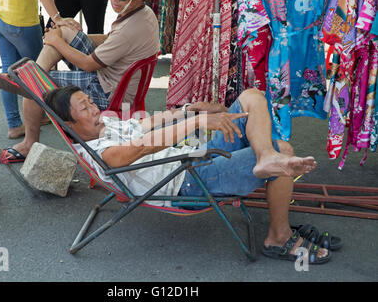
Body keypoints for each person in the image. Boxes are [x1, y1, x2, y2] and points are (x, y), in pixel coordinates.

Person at [44, 85, 334, 264]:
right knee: (284, 150)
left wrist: (189, 110)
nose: (94, 108)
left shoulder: (106, 125)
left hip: (194, 158)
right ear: (68, 123)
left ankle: (265, 158)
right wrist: (198, 120)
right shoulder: (101, 152)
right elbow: (143, 146)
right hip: (186, 180)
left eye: (90, 102)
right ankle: (278, 237)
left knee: (251, 97)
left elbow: (150, 123)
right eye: (85, 108)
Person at [0, 0, 159, 161]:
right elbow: (110, 40)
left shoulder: (129, 29)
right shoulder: (142, 13)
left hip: (108, 90)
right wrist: (68, 36)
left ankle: (29, 127)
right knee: (63, 30)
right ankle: (32, 74)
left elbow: (88, 64)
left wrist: (57, 42)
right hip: (112, 78)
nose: (114, 0)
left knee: (34, 84)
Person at [0, 0, 80, 139]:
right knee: (38, 73)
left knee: (9, 71)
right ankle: (43, 116)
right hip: (19, 19)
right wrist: (56, 17)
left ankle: (15, 124)